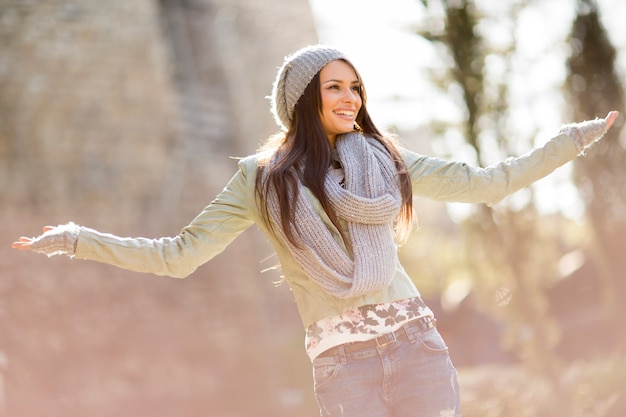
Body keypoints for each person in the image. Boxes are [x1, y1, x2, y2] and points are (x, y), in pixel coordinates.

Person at [12, 44, 619, 417]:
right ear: (303, 98)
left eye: (355, 86)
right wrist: (74, 239)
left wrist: (576, 138)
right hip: (342, 367)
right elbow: (177, 256)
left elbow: (491, 181)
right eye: (335, 86)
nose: (351, 97)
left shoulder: (385, 161)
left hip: (416, 348)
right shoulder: (260, 181)